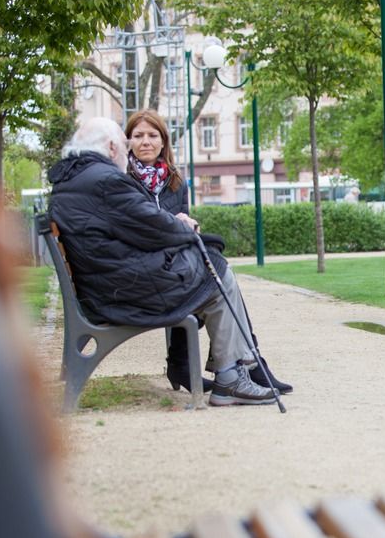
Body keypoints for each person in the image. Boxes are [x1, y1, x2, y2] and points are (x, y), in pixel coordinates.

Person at [48, 117, 288, 406]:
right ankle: (232, 374)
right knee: (217, 270)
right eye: (127, 144)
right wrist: (185, 227)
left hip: (107, 284)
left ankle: (239, 367)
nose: (131, 150)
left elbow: (135, 224)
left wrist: (175, 227)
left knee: (212, 264)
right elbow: (154, 226)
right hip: (121, 291)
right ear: (112, 147)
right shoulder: (105, 180)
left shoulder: (74, 179)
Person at [123, 109, 291, 395]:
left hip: (172, 265)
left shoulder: (175, 180)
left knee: (216, 271)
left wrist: (188, 227)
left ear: (163, 141)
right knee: (218, 279)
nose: (145, 142)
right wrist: (173, 224)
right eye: (138, 136)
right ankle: (248, 363)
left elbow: (181, 231)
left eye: (152, 135)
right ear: (128, 141)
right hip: (149, 271)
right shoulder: (123, 182)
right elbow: (136, 232)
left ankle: (201, 364)